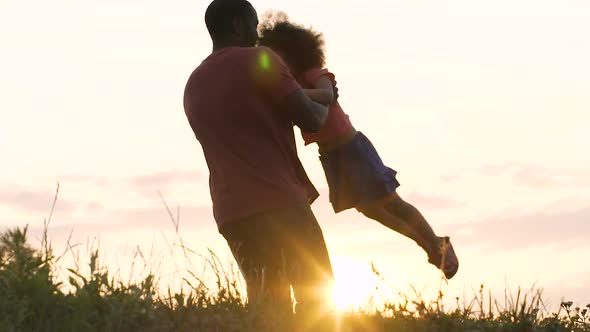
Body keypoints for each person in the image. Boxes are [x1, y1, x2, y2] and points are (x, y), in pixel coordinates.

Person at [258, 13, 459, 279]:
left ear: (294, 51)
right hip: (331, 156)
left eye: (279, 53)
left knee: (391, 202)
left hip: (351, 147)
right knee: (371, 209)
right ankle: (429, 243)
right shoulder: (290, 86)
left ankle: (435, 242)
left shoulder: (313, 74)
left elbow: (327, 95)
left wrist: (290, 93)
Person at [183, 0, 335, 328]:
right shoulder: (261, 60)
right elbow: (311, 119)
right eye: (253, 25)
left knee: (266, 309)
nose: (257, 34)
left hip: (232, 213)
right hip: (279, 203)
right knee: (317, 296)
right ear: (238, 24)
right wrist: (327, 98)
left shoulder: (194, 83)